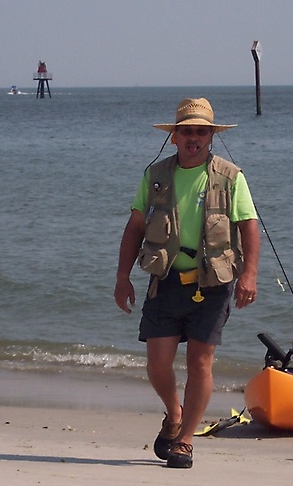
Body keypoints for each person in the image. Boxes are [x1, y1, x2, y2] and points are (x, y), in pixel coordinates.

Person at [115, 97, 260, 469]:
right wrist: (122, 276)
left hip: (213, 283)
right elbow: (134, 227)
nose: (194, 138)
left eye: (201, 131)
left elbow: (248, 226)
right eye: (186, 131)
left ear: (211, 136)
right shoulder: (156, 175)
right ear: (174, 137)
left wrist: (249, 274)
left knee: (200, 362)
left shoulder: (231, 177)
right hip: (165, 281)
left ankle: (184, 440)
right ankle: (173, 412)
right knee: (157, 365)